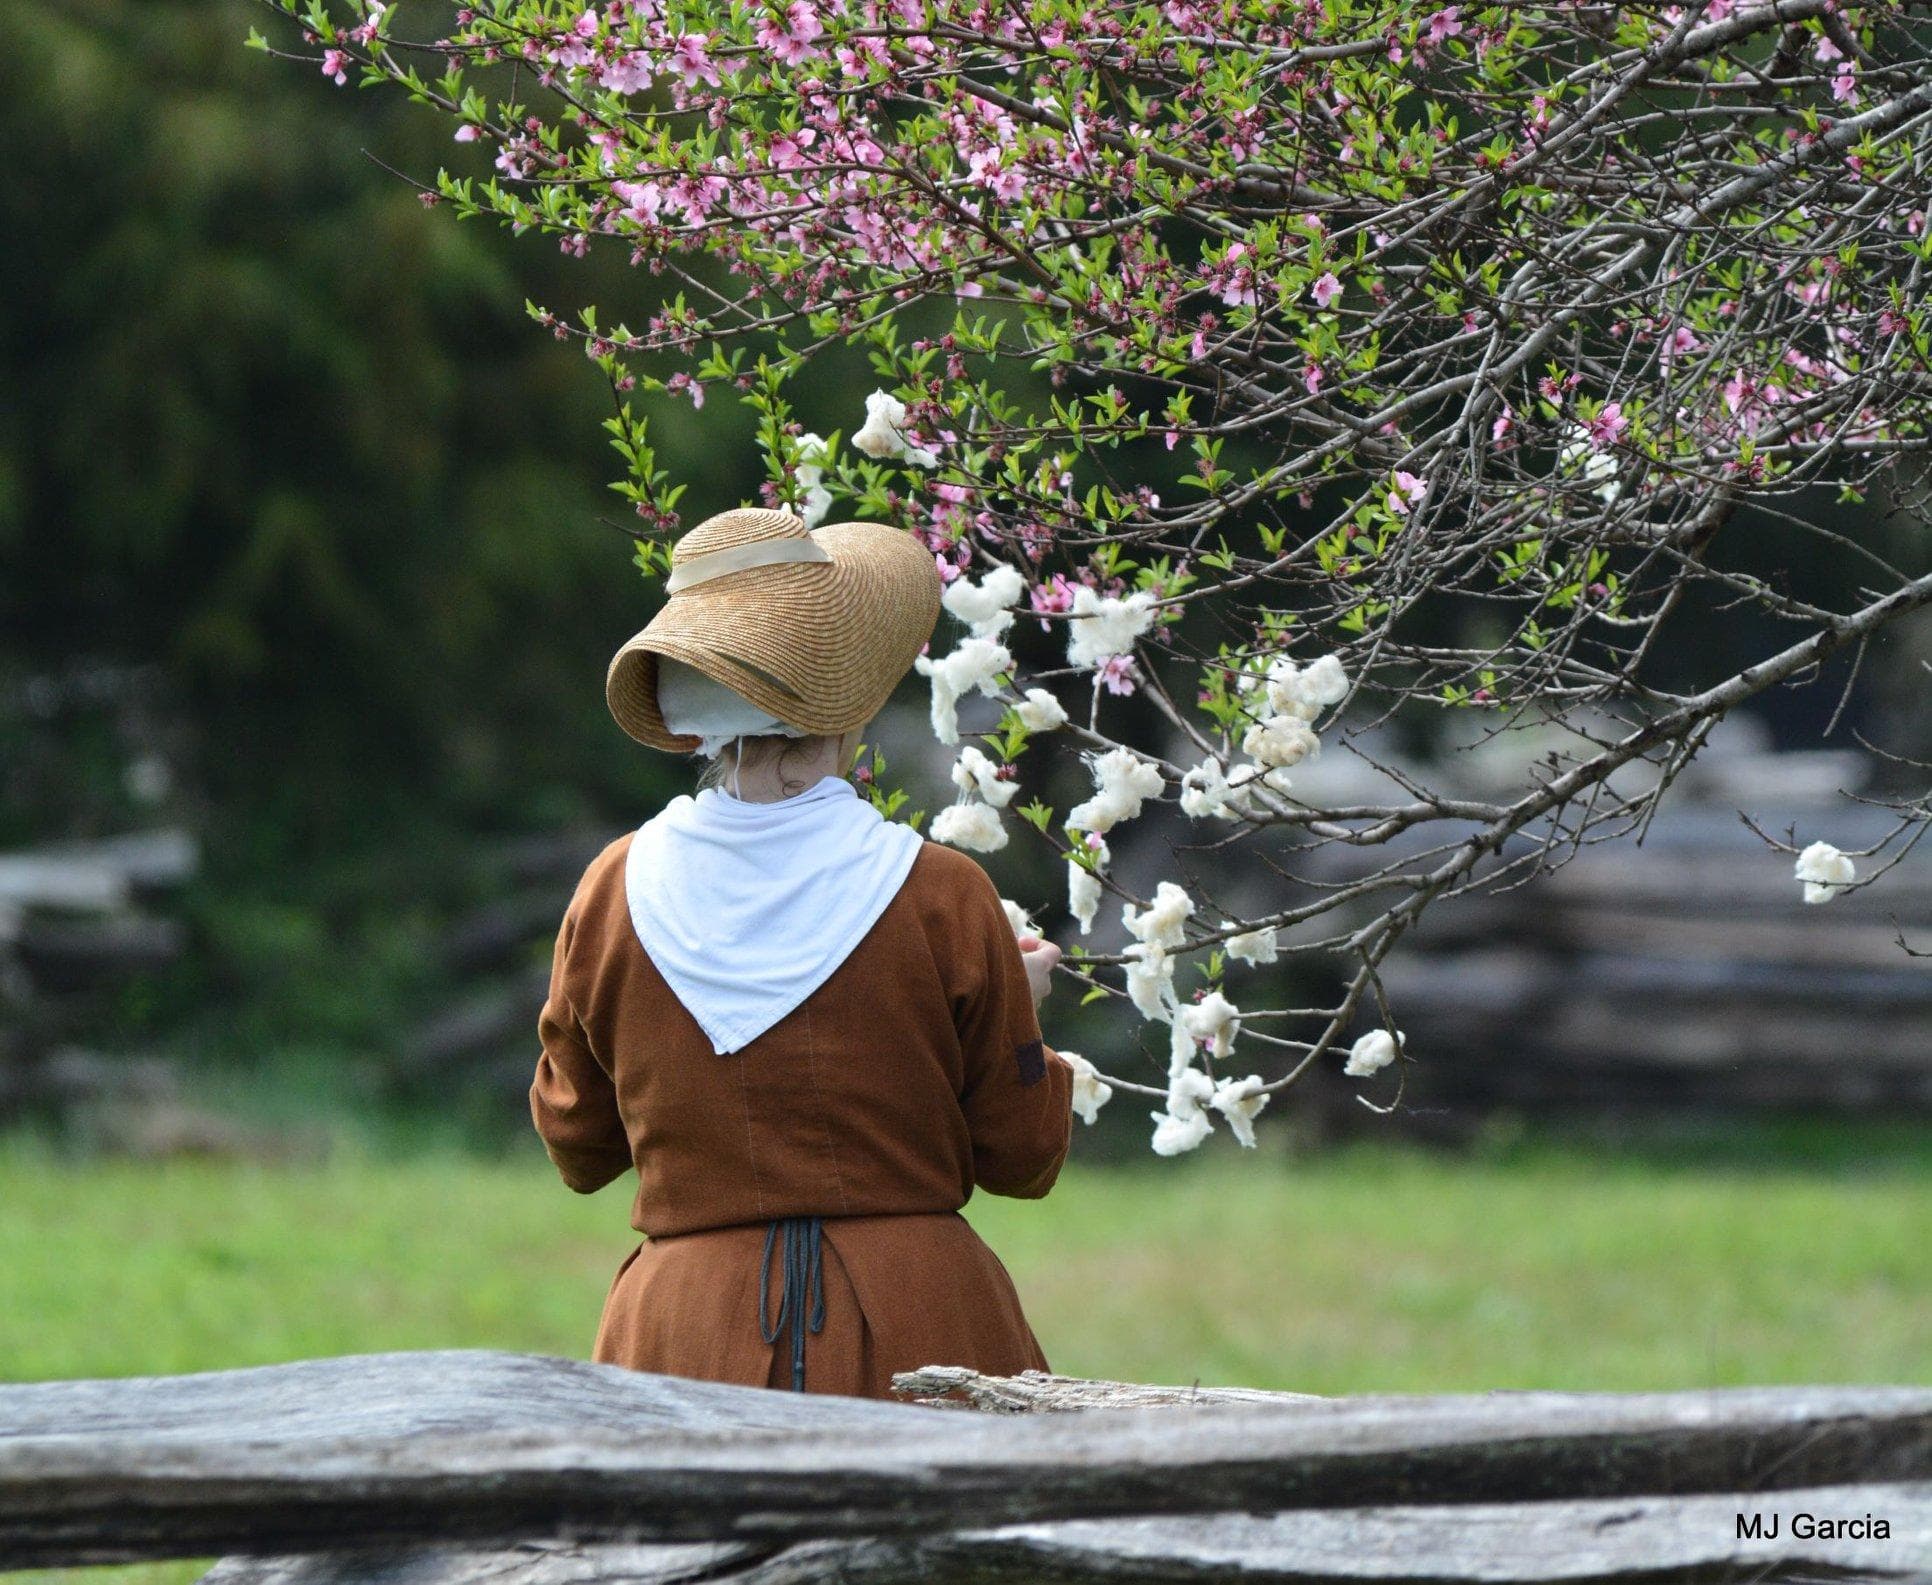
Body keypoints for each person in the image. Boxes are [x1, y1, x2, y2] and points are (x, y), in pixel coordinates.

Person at [530, 504, 1075, 1400]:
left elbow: (578, 1145)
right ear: (849, 695)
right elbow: (1021, 1157)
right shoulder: (942, 895)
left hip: (682, 1346)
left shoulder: (612, 892)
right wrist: (1020, 1009)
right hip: (922, 1329)